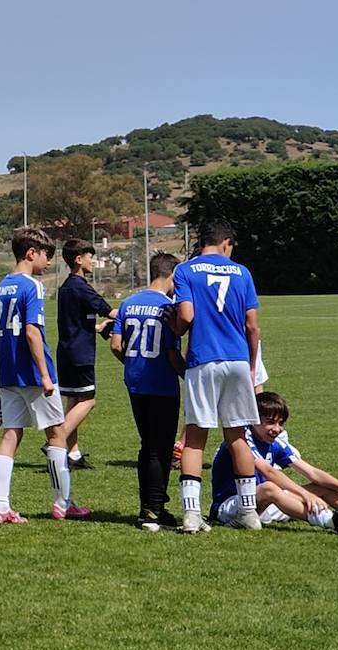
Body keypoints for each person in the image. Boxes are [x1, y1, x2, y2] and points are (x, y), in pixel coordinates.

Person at [166, 221, 263, 534]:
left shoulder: (186, 270)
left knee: (195, 438)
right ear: (226, 243)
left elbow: (187, 315)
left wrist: (176, 330)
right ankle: (249, 513)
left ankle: (192, 516)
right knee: (237, 436)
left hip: (204, 359)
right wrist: (250, 364)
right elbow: (252, 326)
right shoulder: (243, 272)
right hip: (236, 359)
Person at [0, 228, 88, 524]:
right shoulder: (32, 286)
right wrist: (45, 375)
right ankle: (62, 503)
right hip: (33, 371)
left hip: (8, 372)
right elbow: (31, 331)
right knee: (56, 434)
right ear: (32, 252)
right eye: (46, 256)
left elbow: (6, 330)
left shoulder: (3, 285)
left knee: (10, 434)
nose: (47, 263)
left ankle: (0, 505)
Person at [209, 392, 338, 533]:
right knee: (269, 488)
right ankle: (332, 521)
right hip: (230, 507)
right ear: (253, 419)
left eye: (281, 423)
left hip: (266, 504)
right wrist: (305, 495)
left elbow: (312, 472)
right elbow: (269, 472)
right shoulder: (241, 439)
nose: (277, 429)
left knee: (319, 487)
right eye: (270, 422)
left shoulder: (274, 442)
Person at [111, 253, 185, 531]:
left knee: (147, 444)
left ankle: (149, 505)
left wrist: (132, 364)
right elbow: (171, 353)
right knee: (160, 448)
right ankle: (153, 510)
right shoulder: (168, 307)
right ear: (171, 275)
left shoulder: (128, 303)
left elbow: (116, 345)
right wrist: (190, 375)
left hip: (135, 383)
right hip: (162, 385)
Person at [54, 239, 116, 469]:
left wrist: (98, 328)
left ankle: (74, 454)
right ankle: (57, 441)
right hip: (80, 354)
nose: (93, 260)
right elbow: (109, 310)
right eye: (90, 256)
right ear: (78, 259)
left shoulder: (66, 288)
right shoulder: (81, 287)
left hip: (66, 352)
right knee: (88, 401)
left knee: (74, 400)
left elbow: (75, 322)